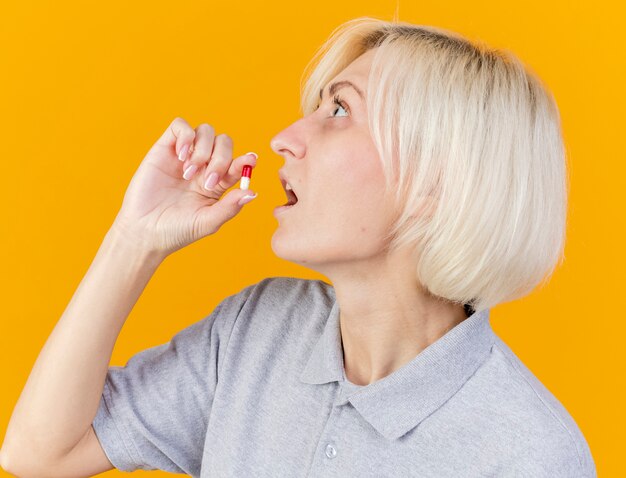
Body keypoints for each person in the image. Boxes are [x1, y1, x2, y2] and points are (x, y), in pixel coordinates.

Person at [0, 17, 596, 478]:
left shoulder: (529, 453)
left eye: (340, 109)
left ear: (436, 181)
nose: (285, 137)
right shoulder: (257, 331)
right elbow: (38, 453)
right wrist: (136, 239)